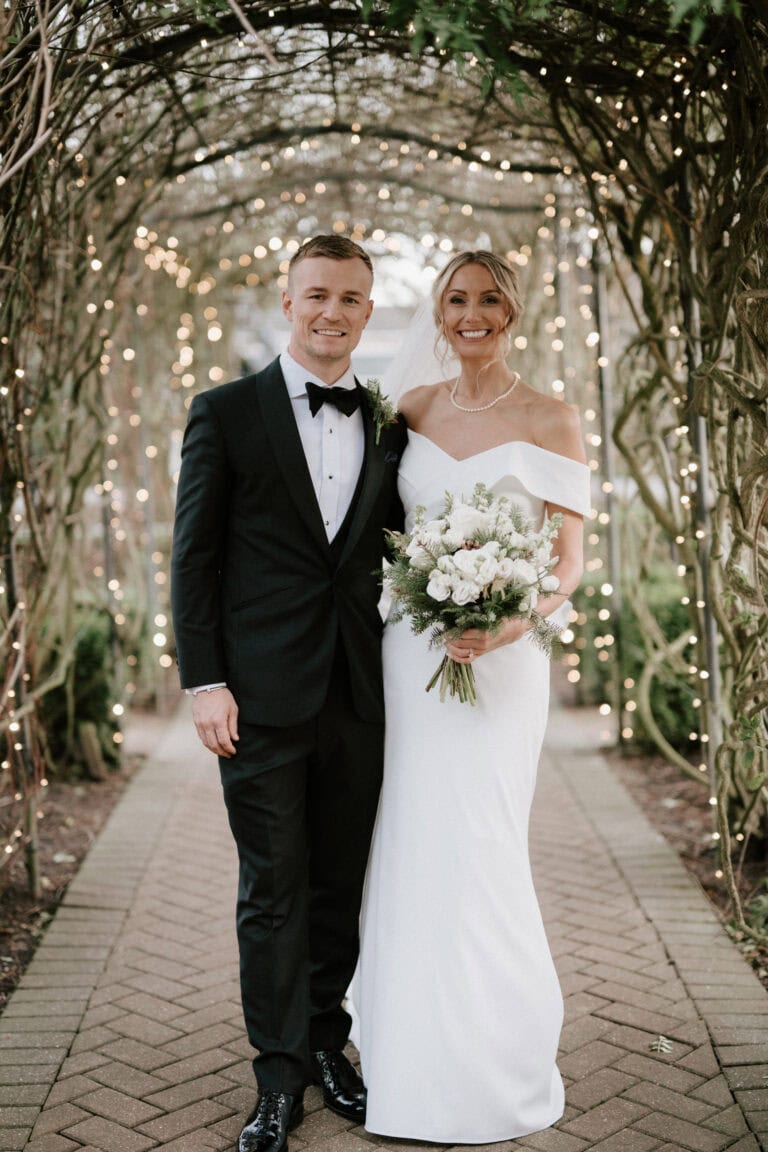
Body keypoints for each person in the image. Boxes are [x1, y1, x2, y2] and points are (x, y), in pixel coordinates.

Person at [171, 234, 405, 1152]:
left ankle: (324, 1044)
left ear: (367, 312)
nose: (331, 312)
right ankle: (275, 1082)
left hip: (360, 691)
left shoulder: (388, 426)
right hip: (257, 698)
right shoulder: (224, 412)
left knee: (337, 885)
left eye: (350, 298)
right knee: (274, 888)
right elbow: (194, 555)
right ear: (287, 298)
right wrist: (204, 680)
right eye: (316, 294)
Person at [351, 250, 591, 1142]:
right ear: (439, 314)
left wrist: (507, 625)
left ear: (514, 310)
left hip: (503, 662)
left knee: (483, 839)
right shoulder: (407, 411)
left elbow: (566, 564)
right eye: (456, 299)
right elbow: (370, 536)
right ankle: (408, 1056)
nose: (472, 314)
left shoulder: (552, 417)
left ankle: (497, 1055)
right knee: (410, 835)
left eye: (489, 299)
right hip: (411, 657)